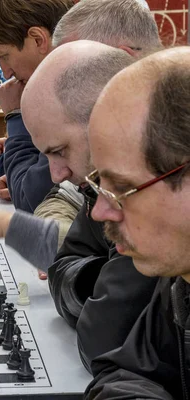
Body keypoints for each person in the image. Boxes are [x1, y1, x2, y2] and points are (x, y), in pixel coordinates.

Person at [0, 41, 158, 373]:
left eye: (60, 150)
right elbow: (65, 255)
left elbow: (103, 342)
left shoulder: (143, 211)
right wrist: (95, 279)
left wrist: (92, 278)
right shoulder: (98, 191)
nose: (56, 174)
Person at [84, 46, 190, 400]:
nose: (100, 212)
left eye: (124, 188)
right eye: (100, 183)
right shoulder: (179, 278)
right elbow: (128, 370)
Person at [0, 0, 74, 213]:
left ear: (38, 40)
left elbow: (30, 199)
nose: (6, 72)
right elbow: (24, 181)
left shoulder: (72, 95)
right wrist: (17, 147)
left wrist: (16, 116)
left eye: (3, 55)